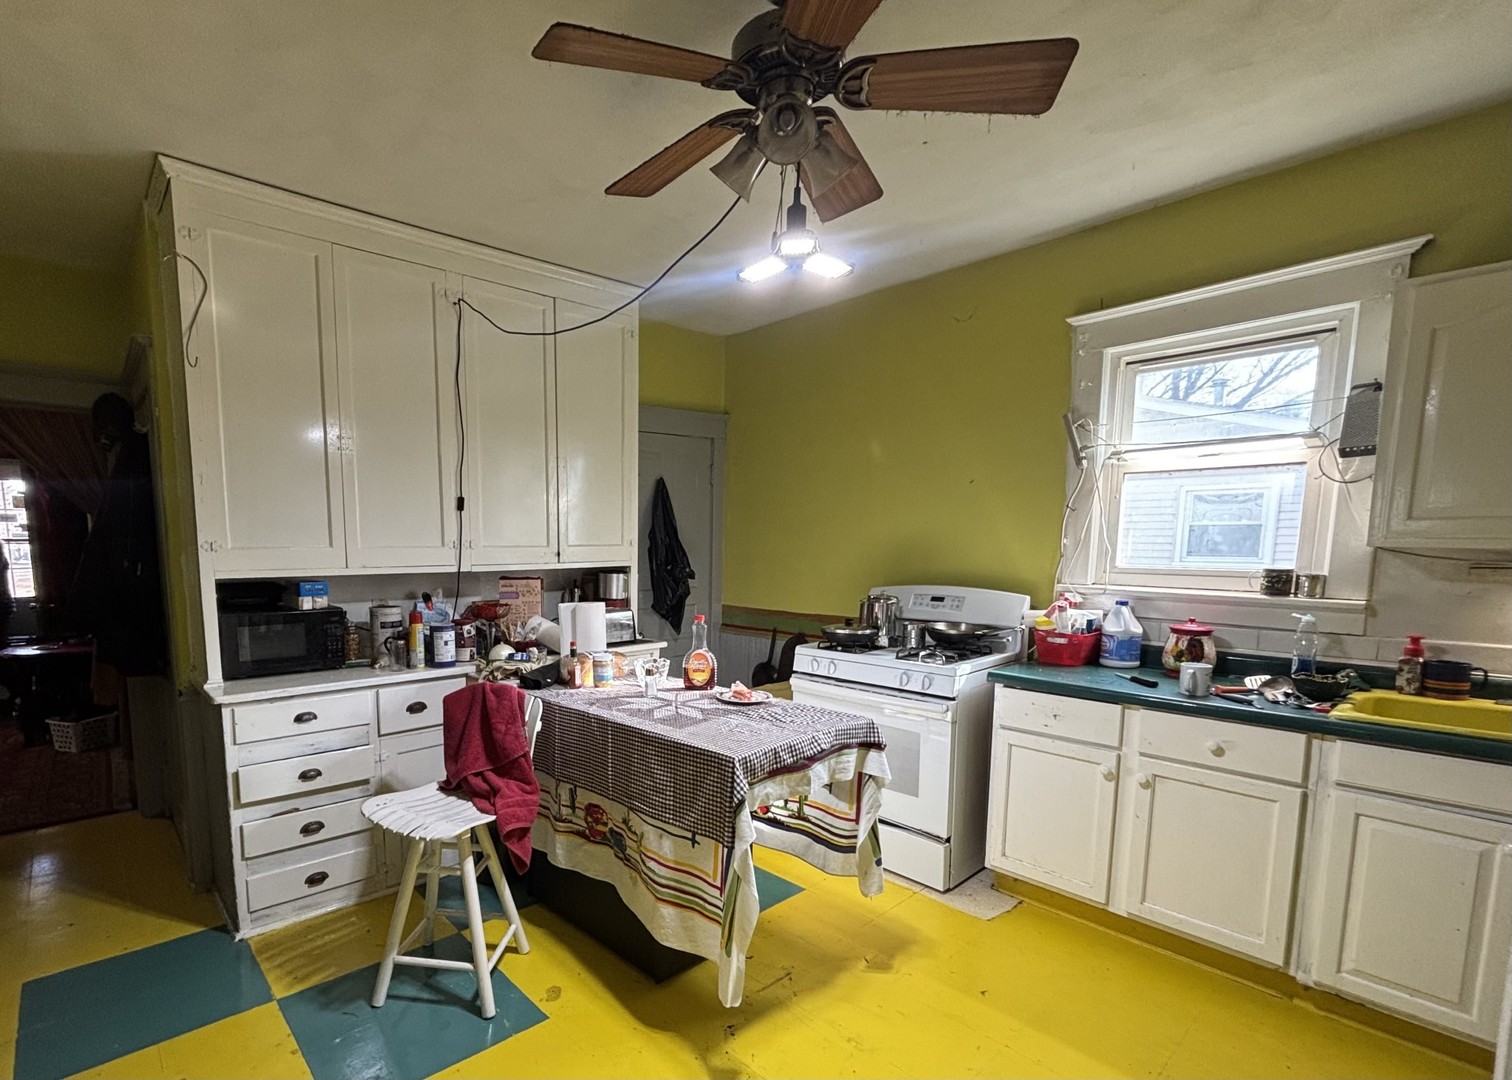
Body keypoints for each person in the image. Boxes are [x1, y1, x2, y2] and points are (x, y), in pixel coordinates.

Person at [71, 393, 167, 677]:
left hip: (130, 575)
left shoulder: (131, 460)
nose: (102, 437)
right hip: (132, 577)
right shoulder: (132, 459)